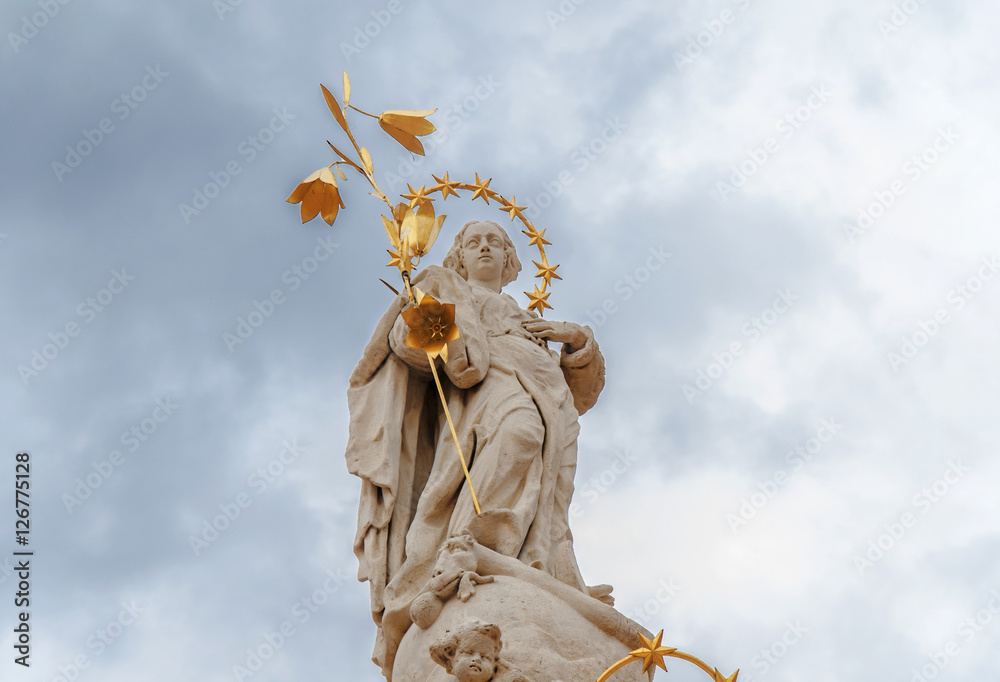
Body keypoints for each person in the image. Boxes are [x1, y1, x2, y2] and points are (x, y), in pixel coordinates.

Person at [346, 219, 605, 678]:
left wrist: (576, 340)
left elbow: (581, 394)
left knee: (546, 496)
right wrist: (429, 325)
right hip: (489, 396)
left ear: (509, 260)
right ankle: (467, 548)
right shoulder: (449, 292)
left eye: (495, 243)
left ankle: (532, 561)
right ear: (459, 257)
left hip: (555, 411)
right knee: (518, 435)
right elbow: (405, 347)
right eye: (473, 242)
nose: (485, 248)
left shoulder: (527, 320)